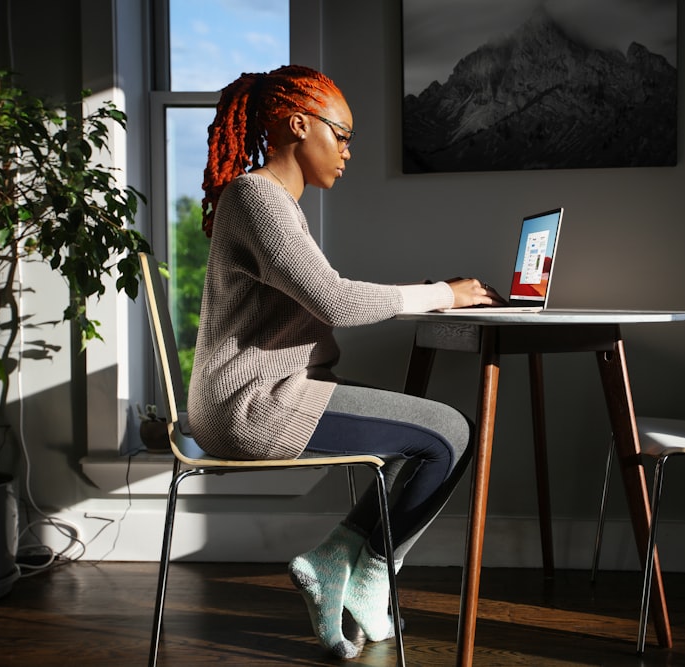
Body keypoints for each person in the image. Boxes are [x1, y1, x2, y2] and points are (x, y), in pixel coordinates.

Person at [188, 64, 505, 659]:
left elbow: (322, 294)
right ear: (298, 123)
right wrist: (445, 294)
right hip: (254, 406)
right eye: (342, 135)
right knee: (452, 434)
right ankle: (356, 568)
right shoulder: (257, 197)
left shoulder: (269, 200)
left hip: (260, 395)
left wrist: (437, 290)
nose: (348, 152)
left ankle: (339, 562)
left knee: (433, 431)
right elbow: (332, 298)